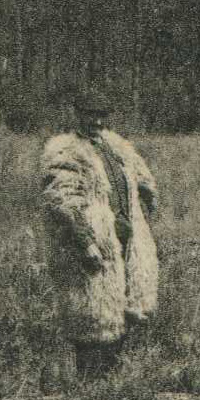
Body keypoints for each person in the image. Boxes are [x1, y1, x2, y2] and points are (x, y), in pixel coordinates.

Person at [39, 91, 159, 382]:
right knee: (93, 314)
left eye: (102, 115)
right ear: (76, 114)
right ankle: (89, 384)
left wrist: (144, 201)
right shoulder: (65, 151)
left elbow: (140, 185)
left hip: (125, 242)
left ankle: (112, 383)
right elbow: (62, 201)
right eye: (90, 115)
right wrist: (86, 242)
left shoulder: (116, 148)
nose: (96, 121)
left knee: (124, 311)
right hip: (92, 244)